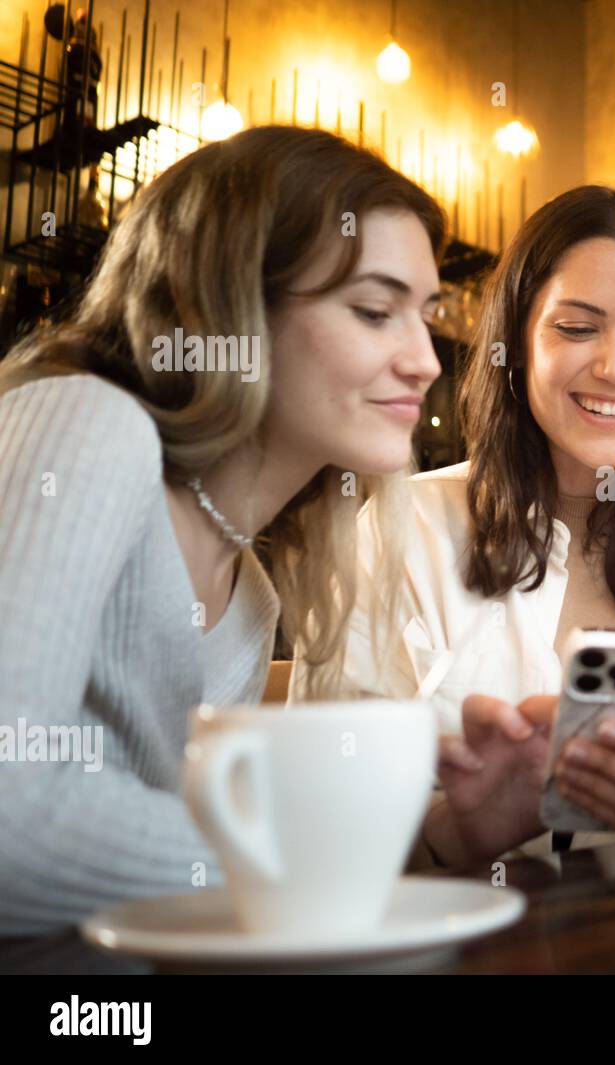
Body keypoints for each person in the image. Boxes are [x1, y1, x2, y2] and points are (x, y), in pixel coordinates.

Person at [0, 125, 445, 931]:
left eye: (427, 314)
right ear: (230, 306)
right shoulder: (88, 423)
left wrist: (457, 815)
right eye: (376, 310)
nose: (427, 360)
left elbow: (168, 868)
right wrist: (305, 869)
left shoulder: (252, 600)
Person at [315, 183, 615, 865]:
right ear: (515, 344)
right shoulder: (406, 526)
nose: (614, 367)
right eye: (576, 328)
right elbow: (323, 794)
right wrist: (455, 831)